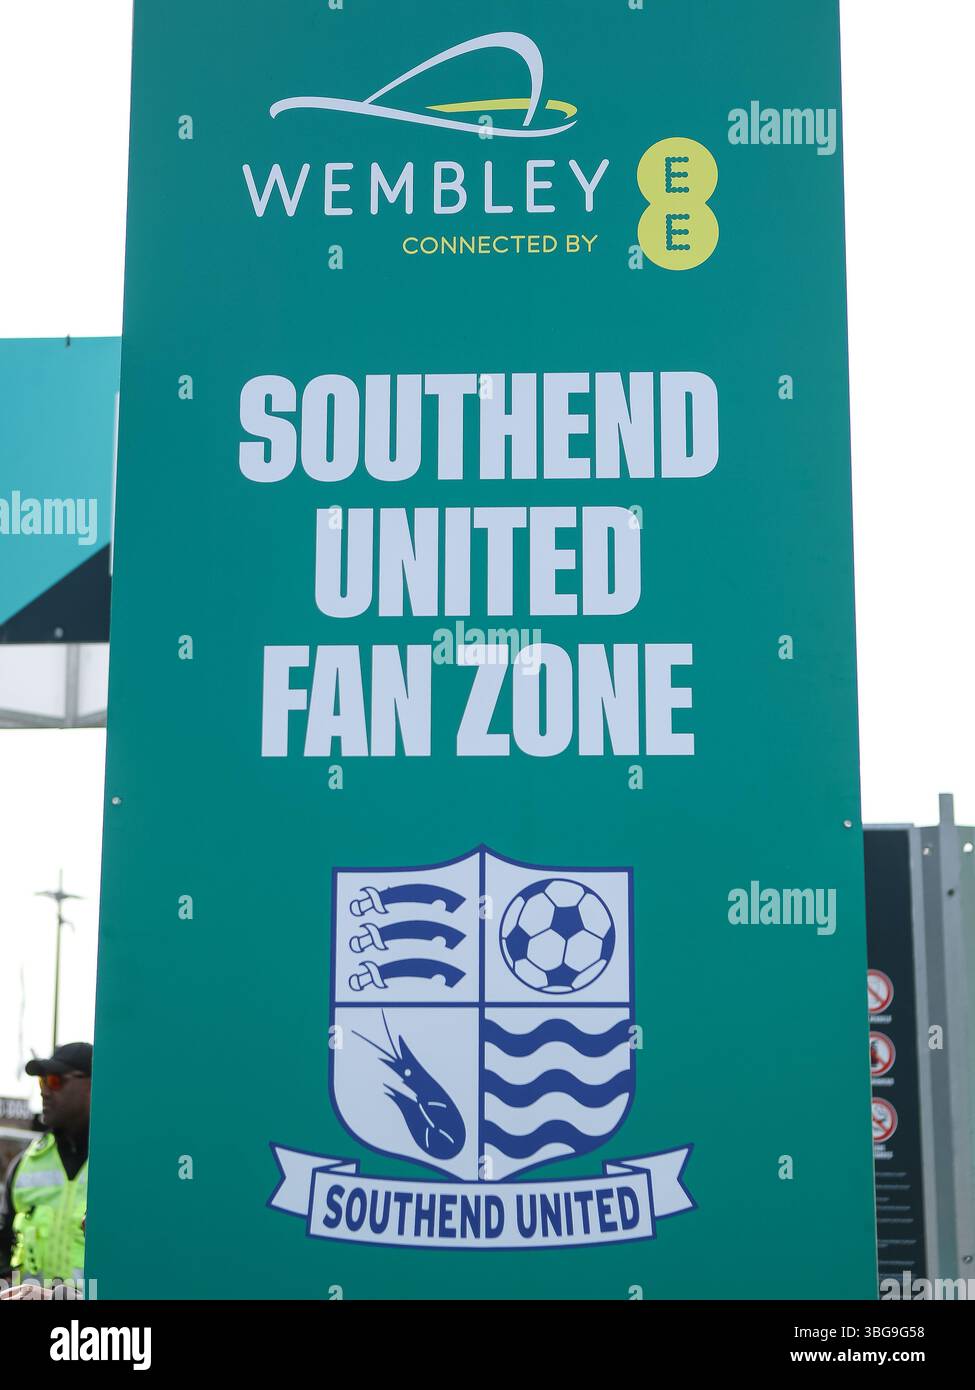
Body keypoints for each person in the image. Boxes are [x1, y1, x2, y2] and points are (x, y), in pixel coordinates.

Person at [0, 1042, 91, 1297]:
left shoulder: (122, 1167)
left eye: (55, 1080)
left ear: (93, 1085)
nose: (45, 1092)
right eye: (41, 1082)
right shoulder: (24, 1164)